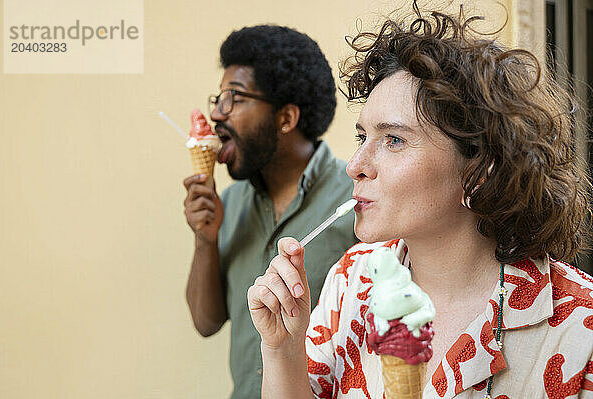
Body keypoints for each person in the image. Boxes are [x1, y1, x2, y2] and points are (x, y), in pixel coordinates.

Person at [247, 6, 593, 398]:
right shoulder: (351, 281)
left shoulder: (580, 326)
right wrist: (281, 350)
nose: (355, 166)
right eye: (363, 138)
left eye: (393, 139)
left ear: (479, 171)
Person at [183, 25, 358, 399]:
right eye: (219, 97)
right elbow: (205, 322)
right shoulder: (229, 204)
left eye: (235, 97)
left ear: (286, 118)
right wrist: (204, 240)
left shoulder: (356, 202)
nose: (217, 112)